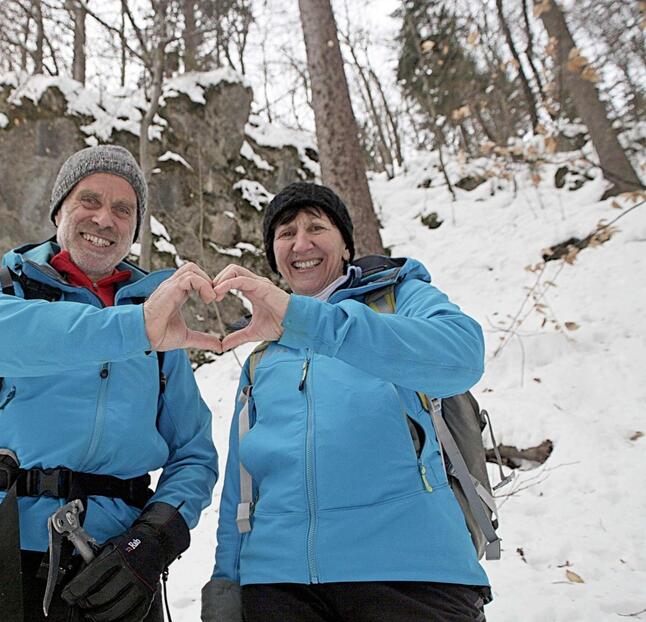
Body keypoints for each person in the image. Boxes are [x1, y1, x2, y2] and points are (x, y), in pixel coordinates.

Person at [0, 145, 220, 622]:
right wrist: (135, 329)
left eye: (123, 209)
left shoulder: (158, 324)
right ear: (59, 211)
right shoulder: (6, 293)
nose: (105, 219)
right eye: (89, 201)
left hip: (117, 564)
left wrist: (151, 541)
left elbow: (193, 454)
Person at [201, 181, 491, 621]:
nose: (301, 243)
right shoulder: (261, 357)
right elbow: (242, 488)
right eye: (285, 233)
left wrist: (308, 320)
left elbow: (462, 356)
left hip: (412, 571)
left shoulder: (399, 299)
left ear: (346, 245)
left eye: (316, 227)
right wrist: (225, 581)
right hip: (278, 584)